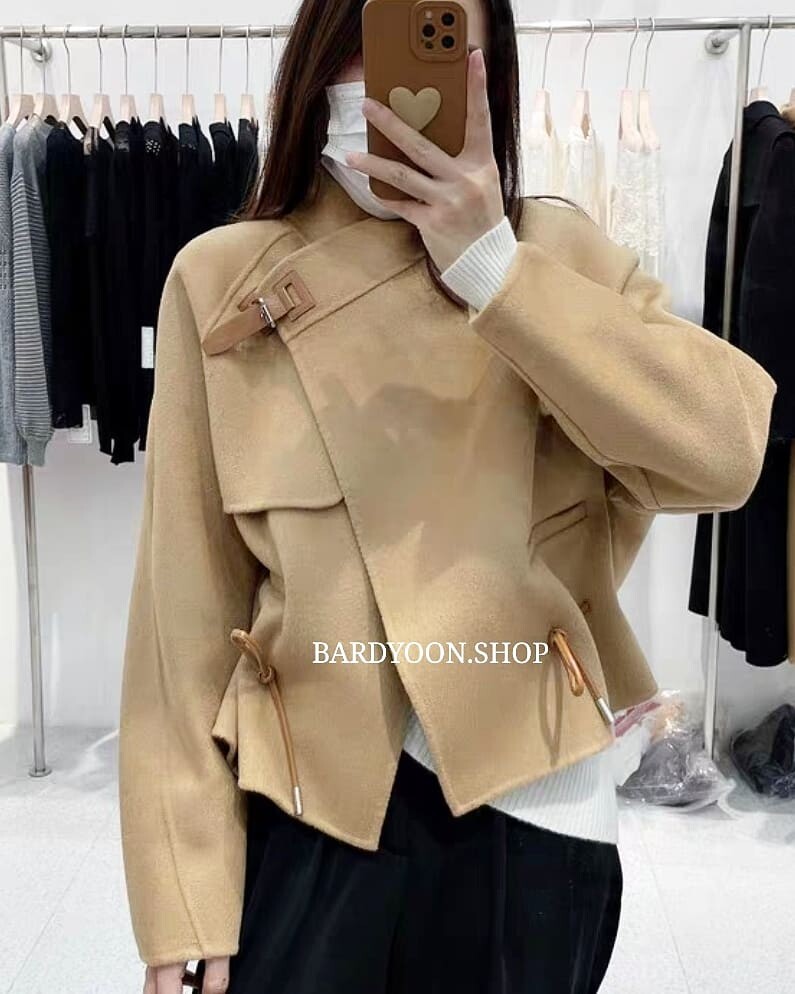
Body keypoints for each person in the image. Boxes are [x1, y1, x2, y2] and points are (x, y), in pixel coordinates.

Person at [117, 2, 777, 993]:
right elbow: (183, 618)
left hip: (534, 806)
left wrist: (493, 269)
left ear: (486, 75)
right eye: (364, 37)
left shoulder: (559, 255)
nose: (382, 79)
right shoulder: (221, 281)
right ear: (313, 64)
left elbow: (725, 455)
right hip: (312, 807)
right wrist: (184, 886)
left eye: (435, 37)